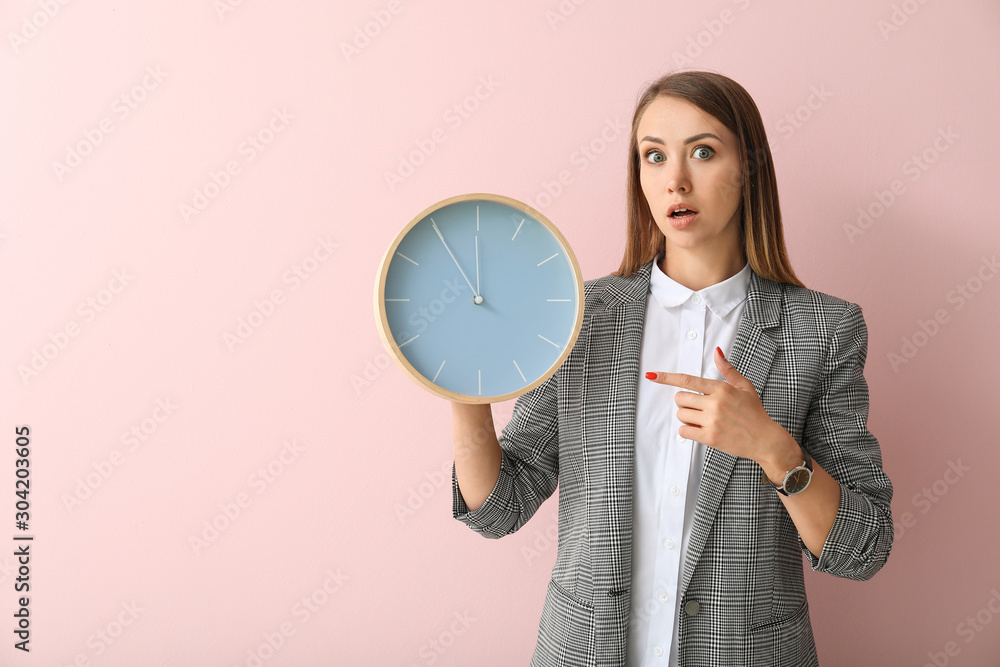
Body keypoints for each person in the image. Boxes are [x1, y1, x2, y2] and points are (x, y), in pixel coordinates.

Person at [448, 70, 893, 666]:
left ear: (749, 168)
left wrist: (771, 447)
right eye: (653, 156)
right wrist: (465, 387)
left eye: (702, 152)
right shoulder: (579, 318)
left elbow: (862, 549)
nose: (675, 180)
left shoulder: (823, 331)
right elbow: (499, 508)